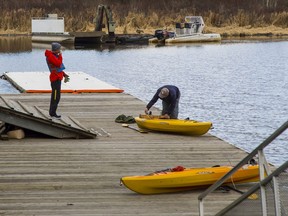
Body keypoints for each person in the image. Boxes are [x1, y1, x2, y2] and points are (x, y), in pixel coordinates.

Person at [45, 42, 69, 119]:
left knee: (57, 96)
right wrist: (61, 56)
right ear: (56, 50)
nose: (60, 51)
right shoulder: (51, 56)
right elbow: (58, 63)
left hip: (58, 77)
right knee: (55, 96)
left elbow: (58, 68)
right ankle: (52, 113)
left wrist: (64, 74)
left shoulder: (55, 55)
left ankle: (53, 112)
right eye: (59, 49)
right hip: (54, 78)